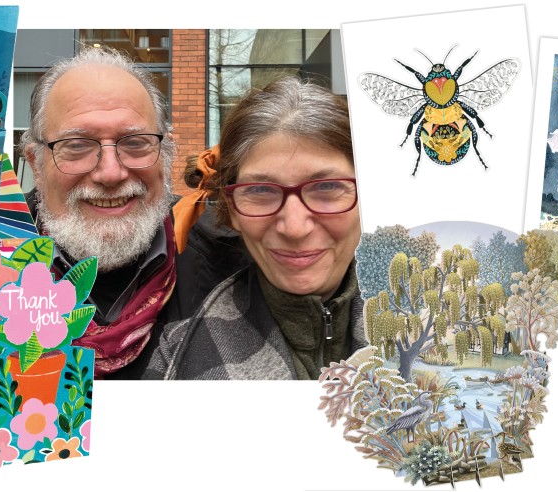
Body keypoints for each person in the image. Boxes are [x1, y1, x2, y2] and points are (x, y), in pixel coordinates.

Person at [144, 77, 366, 380]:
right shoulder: (176, 362)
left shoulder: (444, 328)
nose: (295, 227)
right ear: (231, 209)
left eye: (326, 187)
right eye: (261, 191)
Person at [20, 45, 177, 378]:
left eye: (135, 142)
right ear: (36, 162)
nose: (110, 173)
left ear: (164, 156)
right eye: (76, 145)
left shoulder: (225, 263)